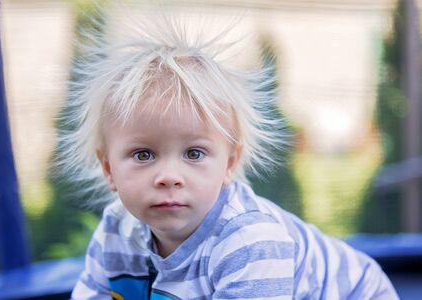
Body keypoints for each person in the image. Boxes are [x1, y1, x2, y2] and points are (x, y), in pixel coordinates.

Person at [64, 7, 399, 300]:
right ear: (109, 169)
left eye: (194, 154)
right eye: (143, 155)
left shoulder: (249, 241)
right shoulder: (116, 230)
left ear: (230, 163)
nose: (168, 176)